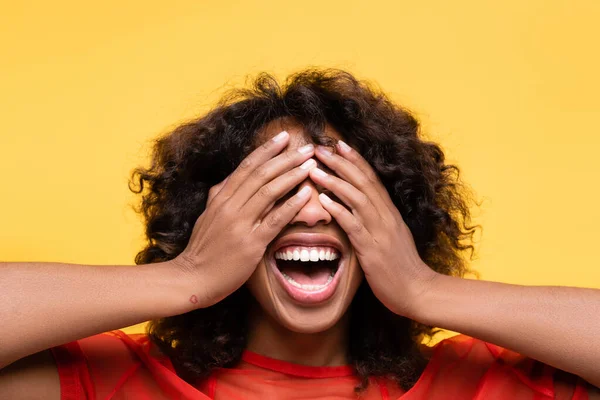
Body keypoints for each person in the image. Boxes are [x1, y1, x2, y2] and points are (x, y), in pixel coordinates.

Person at [1, 69, 598, 400]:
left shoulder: (487, 383)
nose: (311, 215)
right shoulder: (107, 380)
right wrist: (187, 276)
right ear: (213, 221)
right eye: (275, 190)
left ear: (394, 221)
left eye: (340, 188)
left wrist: (422, 288)